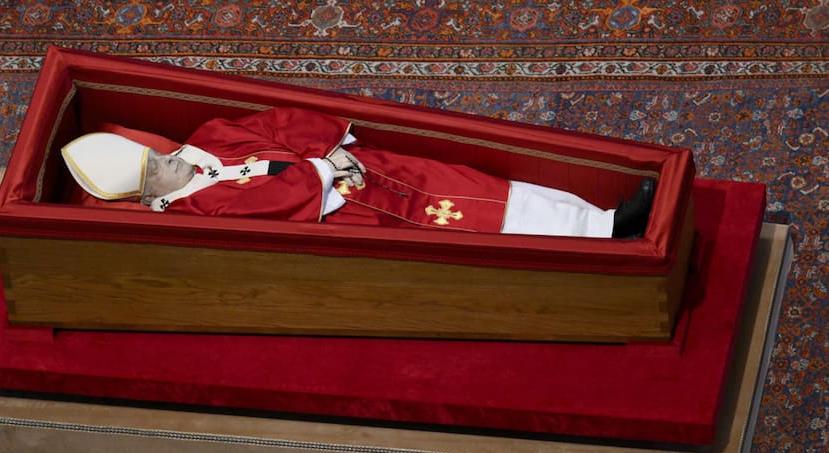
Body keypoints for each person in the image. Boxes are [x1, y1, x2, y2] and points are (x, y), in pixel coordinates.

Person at [62, 107, 655, 238]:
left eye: (161, 151)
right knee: (480, 226)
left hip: (373, 171)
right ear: (149, 193)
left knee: (485, 187)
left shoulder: (206, 140)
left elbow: (277, 125)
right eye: (162, 166)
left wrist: (329, 147)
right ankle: (603, 240)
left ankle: (599, 217)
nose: (174, 157)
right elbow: (269, 209)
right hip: (361, 215)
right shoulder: (198, 212)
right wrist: (322, 168)